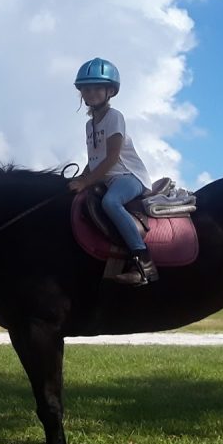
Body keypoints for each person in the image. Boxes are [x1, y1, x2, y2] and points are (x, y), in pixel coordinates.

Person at [67, 57, 157, 286]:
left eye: (97, 87)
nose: (91, 92)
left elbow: (112, 157)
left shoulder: (114, 117)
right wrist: (81, 177)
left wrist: (87, 182)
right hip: (106, 177)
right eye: (86, 88)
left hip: (128, 176)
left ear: (110, 91)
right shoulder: (90, 124)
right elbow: (94, 159)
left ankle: (143, 262)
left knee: (111, 203)